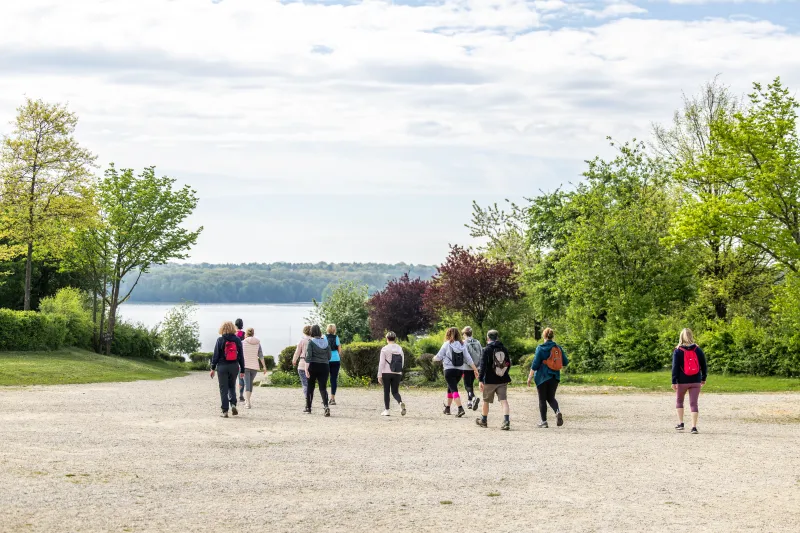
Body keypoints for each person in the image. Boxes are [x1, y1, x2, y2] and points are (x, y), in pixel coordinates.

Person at [527, 328, 569, 428]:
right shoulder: (558, 347)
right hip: (554, 376)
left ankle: (544, 421)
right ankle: (557, 411)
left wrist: (530, 376)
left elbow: (535, 364)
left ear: (544, 336)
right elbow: (565, 361)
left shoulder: (540, 348)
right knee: (551, 397)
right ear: (552, 336)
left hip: (542, 376)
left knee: (542, 399)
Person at [434, 327, 479, 418]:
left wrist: (434, 358)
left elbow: (438, 357)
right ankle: (447, 408)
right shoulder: (463, 345)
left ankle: (460, 408)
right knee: (450, 388)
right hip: (459, 371)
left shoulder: (446, 344)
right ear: (458, 334)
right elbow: (468, 358)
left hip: (449, 370)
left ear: (448, 334)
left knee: (454, 389)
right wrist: (475, 369)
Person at [672, 328, 708, 434]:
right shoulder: (698, 349)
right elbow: (704, 364)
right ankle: (694, 427)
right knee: (694, 404)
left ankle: (681, 423)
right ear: (691, 335)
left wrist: (674, 381)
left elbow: (675, 367)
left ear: (681, 337)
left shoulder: (677, 350)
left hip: (682, 381)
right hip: (696, 380)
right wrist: (703, 378)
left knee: (679, 401)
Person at [475, 330, 511, 430]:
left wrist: (480, 380)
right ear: (497, 337)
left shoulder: (486, 349)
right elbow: (508, 364)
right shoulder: (503, 348)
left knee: (486, 401)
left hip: (489, 380)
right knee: (504, 401)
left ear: (488, 338)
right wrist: (504, 373)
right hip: (502, 380)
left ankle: (484, 420)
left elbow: (483, 366)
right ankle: (506, 421)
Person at [210, 321, 245, 418]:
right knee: (232, 386)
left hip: (222, 367)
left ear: (222, 328)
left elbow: (215, 355)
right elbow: (241, 356)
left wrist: (212, 368)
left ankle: (225, 411)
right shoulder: (237, 340)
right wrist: (242, 370)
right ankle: (233, 404)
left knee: (223, 389)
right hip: (234, 366)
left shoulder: (220, 340)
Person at [305, 324, 332, 416]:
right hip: (324, 366)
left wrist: (306, 369)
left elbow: (308, 357)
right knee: (323, 387)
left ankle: (308, 407)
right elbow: (329, 356)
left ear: (311, 332)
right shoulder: (326, 342)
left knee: (310, 387)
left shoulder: (311, 342)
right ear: (319, 332)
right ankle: (326, 406)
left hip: (313, 366)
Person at [377, 331, 406, 417]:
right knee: (395, 391)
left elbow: (381, 363)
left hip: (386, 372)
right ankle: (400, 402)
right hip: (397, 372)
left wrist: (379, 375)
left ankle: (387, 410)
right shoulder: (399, 348)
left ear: (387, 339)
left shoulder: (385, 349)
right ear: (395, 338)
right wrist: (400, 371)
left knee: (386, 391)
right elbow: (402, 361)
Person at [241, 328, 267, 409]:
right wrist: (264, 366)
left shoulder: (243, 342)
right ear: (253, 333)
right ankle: (247, 400)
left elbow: (239, 355)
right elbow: (261, 355)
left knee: (247, 384)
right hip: (254, 367)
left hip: (245, 366)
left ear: (246, 334)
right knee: (250, 383)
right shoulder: (258, 343)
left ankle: (248, 402)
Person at [462, 326, 483, 411]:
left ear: (464, 334)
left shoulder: (463, 343)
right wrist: (478, 366)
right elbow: (481, 353)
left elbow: (464, 356)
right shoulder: (477, 342)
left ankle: (473, 398)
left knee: (467, 385)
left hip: (466, 367)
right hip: (477, 367)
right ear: (472, 333)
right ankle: (469, 402)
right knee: (471, 384)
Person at [292, 325, 312, 398]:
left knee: (304, 383)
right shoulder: (314, 341)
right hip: (312, 364)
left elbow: (297, 352)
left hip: (302, 363)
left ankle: (307, 397)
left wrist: (294, 360)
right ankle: (310, 395)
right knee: (310, 382)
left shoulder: (302, 341)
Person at [326, 324, 342, 405]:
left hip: (326, 360)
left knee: (324, 379)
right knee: (333, 379)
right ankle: (332, 398)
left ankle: (324, 397)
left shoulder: (324, 337)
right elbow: (339, 350)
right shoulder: (336, 337)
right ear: (334, 330)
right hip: (336, 360)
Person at [235, 318, 246, 402]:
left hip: (233, 358)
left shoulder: (233, 334)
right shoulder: (244, 334)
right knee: (241, 378)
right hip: (242, 358)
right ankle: (241, 395)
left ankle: (231, 393)